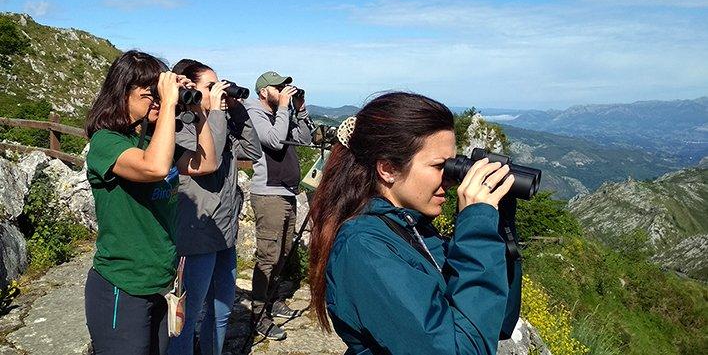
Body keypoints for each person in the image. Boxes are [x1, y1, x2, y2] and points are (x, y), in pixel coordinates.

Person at [308, 92, 522, 355]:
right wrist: (476, 229)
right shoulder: (364, 248)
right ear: (387, 169)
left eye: (453, 165)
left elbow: (496, 323)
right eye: (439, 165)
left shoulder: (412, 227)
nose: (451, 179)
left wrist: (497, 224)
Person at [84, 50, 218, 355]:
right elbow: (154, 168)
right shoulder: (107, 142)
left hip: (161, 282)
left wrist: (198, 114)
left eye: (160, 93)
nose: (157, 101)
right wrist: (170, 102)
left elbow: (206, 163)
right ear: (122, 94)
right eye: (150, 94)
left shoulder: (153, 142)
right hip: (123, 286)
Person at [167, 59, 262, 355]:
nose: (218, 91)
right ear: (190, 88)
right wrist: (216, 114)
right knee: (186, 315)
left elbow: (253, 151)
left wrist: (237, 110)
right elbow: (209, 163)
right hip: (197, 236)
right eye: (211, 87)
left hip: (225, 233)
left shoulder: (221, 123)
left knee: (221, 311)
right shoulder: (181, 125)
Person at [245, 71, 313, 340]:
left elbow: (304, 140)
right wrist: (284, 108)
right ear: (264, 92)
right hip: (267, 192)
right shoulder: (254, 112)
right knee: (268, 256)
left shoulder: (281, 113)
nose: (285, 90)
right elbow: (273, 140)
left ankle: (272, 299)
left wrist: (301, 110)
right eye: (279, 87)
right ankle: (259, 315)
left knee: (283, 252)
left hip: (286, 192)